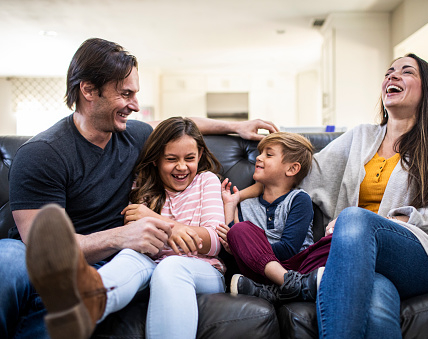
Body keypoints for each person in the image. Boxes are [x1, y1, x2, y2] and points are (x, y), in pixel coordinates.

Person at [0, 37, 277, 339]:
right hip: (47, 254)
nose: (134, 105)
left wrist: (235, 126)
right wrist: (121, 236)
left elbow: (177, 126)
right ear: (89, 90)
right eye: (125, 94)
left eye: (135, 94)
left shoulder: (133, 135)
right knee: (7, 260)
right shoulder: (42, 153)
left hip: (113, 261)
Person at [303, 54, 428, 338]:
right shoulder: (360, 136)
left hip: (421, 256)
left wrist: (400, 219)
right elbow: (307, 172)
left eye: (406, 72)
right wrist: (270, 154)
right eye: (389, 72)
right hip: (364, 259)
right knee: (376, 300)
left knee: (354, 218)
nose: (392, 76)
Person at [27, 116, 226, 338]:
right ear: (156, 160)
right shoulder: (142, 187)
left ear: (199, 155)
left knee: (171, 268)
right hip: (151, 264)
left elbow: (213, 242)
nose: (181, 167)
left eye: (189, 158)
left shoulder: (206, 181)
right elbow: (140, 242)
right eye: (171, 159)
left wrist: (156, 220)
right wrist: (162, 233)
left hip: (201, 269)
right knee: (127, 260)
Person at [216, 132, 324, 304]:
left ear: (292, 169)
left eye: (269, 154)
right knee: (239, 230)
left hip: (298, 266)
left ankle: (276, 290)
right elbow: (232, 239)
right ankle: (293, 287)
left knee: (338, 241)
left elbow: (289, 248)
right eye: (260, 153)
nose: (258, 158)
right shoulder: (246, 206)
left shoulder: (299, 199)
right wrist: (230, 204)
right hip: (259, 271)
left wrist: (243, 249)